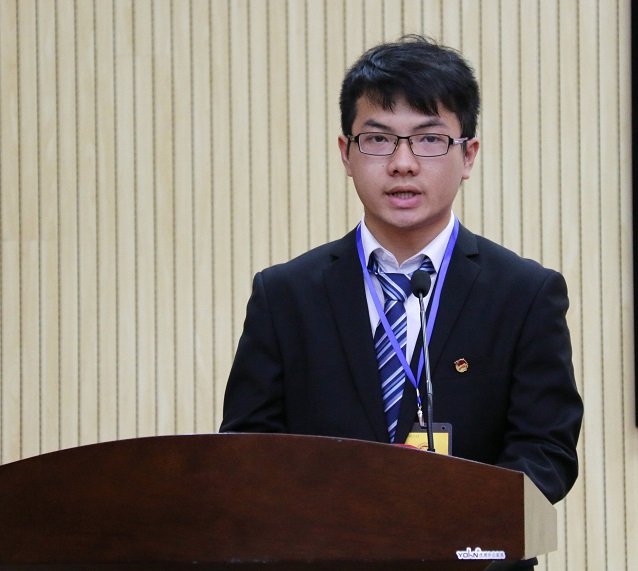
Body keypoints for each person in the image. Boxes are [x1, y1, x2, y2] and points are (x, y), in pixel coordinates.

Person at [220, 35, 583, 506]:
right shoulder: (285, 295)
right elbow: (247, 449)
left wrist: (455, 521)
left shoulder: (525, 294)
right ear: (346, 153)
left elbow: (546, 450)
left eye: (430, 139)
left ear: (468, 155)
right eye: (378, 140)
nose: (403, 164)